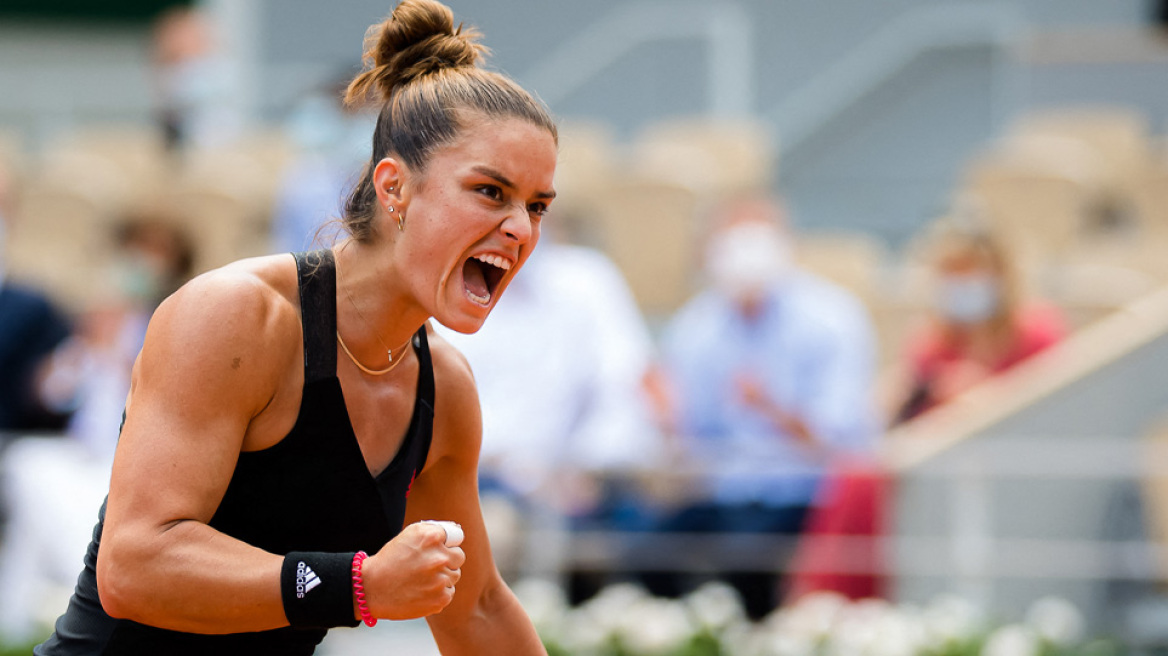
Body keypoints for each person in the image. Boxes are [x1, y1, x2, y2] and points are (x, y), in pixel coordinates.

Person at [37, 1, 557, 653]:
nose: (521, 228)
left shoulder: (445, 389)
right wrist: (358, 586)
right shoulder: (235, 316)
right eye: (490, 191)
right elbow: (135, 565)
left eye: (537, 206)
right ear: (394, 188)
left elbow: (476, 608)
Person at [652, 194, 879, 619]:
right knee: (647, 551)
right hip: (725, 491)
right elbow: (690, 435)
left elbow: (838, 437)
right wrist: (663, 416)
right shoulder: (696, 326)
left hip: (802, 492)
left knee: (748, 559)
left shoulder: (832, 317)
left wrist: (773, 410)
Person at [891, 218, 1066, 423]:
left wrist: (989, 399)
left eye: (970, 271)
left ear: (1001, 273)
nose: (961, 282)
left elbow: (1057, 405)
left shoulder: (1038, 333)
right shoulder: (930, 343)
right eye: (951, 273)